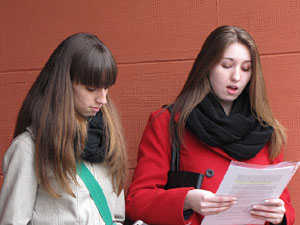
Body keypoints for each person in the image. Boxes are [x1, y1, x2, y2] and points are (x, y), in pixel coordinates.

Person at [125, 26, 294, 225]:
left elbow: (285, 205)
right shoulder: (169, 123)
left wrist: (280, 216)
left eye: (246, 68)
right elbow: (136, 201)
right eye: (226, 65)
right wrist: (187, 200)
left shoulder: (265, 130)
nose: (236, 77)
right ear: (207, 66)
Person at [0, 33, 128, 224]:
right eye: (91, 88)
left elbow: (116, 218)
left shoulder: (108, 141)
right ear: (65, 84)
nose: (103, 99)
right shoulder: (29, 149)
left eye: (106, 87)